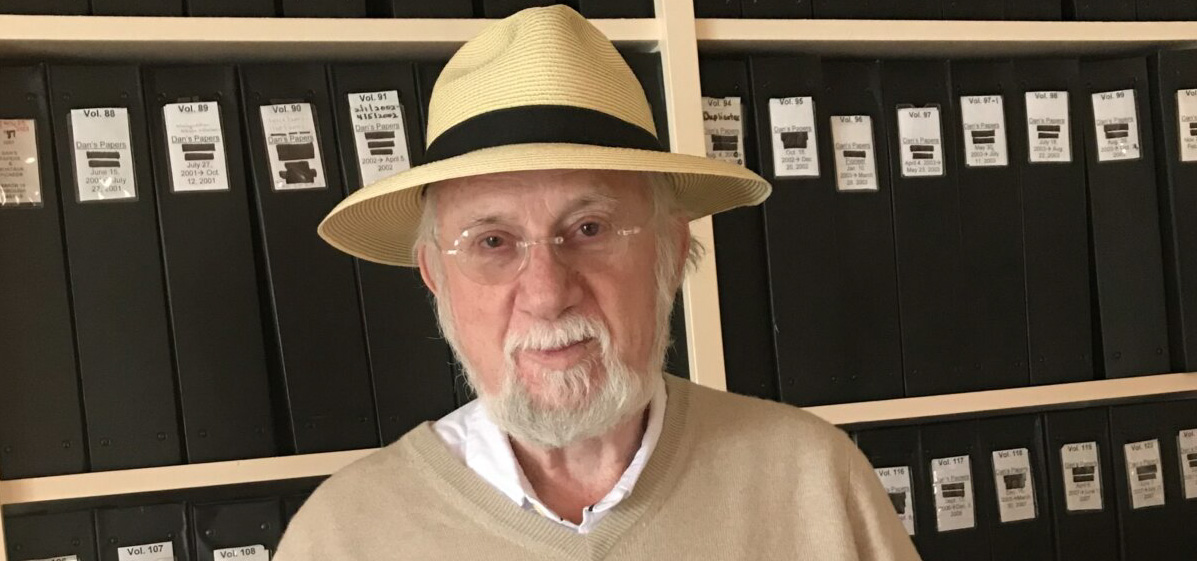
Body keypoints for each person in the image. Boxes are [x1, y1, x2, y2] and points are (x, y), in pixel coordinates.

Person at [276, 5, 920, 560]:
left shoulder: (815, 482)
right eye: (492, 243)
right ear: (436, 278)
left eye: (589, 228)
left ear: (671, 250)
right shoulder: (340, 538)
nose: (548, 293)